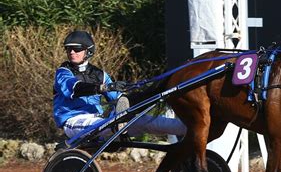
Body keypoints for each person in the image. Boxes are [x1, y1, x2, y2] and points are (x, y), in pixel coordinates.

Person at [53, 30, 186, 139]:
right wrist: (103, 88)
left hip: (101, 121)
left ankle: (186, 128)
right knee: (105, 124)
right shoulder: (63, 72)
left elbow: (119, 98)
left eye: (76, 49)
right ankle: (117, 125)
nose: (71, 52)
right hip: (73, 121)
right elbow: (75, 88)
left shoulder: (100, 74)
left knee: (143, 120)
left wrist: (140, 97)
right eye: (68, 49)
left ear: (88, 51)